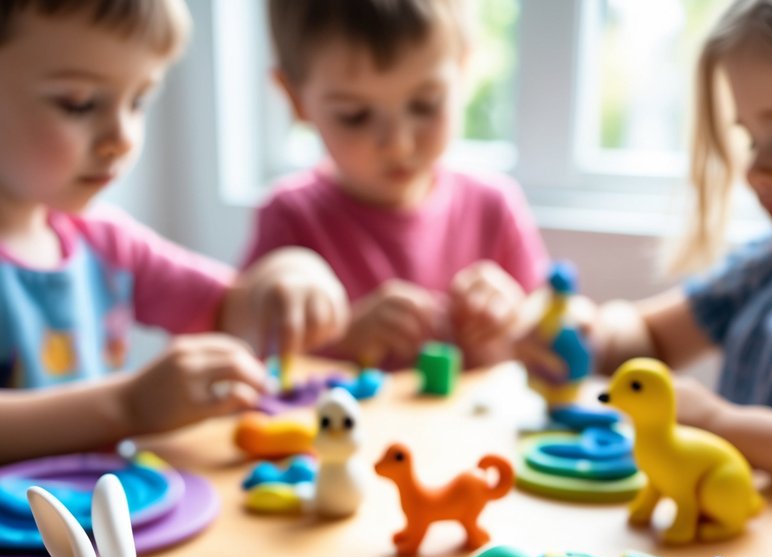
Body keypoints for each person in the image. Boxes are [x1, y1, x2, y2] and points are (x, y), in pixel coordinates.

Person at [0, 0, 348, 463]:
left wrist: (290, 275)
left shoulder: (104, 243)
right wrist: (127, 406)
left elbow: (229, 310)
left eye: (139, 100)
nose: (123, 136)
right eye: (79, 103)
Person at [520, 0, 772, 496]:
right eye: (751, 140)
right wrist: (589, 330)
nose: (755, 171)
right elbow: (648, 338)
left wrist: (721, 421)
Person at [243, 0, 549, 370]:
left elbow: (551, 332)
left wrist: (513, 319)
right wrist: (345, 338)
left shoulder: (494, 206)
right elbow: (252, 359)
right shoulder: (290, 218)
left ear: (464, 69)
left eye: (425, 104)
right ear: (295, 98)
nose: (398, 143)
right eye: (355, 116)